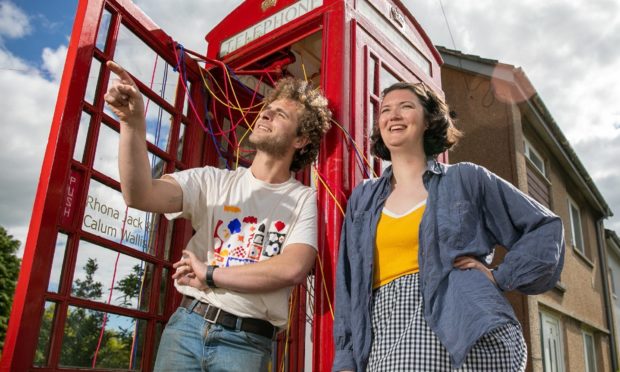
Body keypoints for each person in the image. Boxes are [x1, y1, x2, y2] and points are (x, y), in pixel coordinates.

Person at [104, 60, 331, 372]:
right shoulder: (213, 181)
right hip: (187, 326)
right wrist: (132, 124)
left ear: (300, 140)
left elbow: (292, 267)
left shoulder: (303, 198)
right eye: (267, 109)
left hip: (246, 342)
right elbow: (140, 195)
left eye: (281, 114)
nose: (265, 114)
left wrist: (210, 274)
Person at [332, 82, 565, 372]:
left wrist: (501, 277)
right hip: (384, 329)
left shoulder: (466, 179)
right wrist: (345, 358)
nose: (393, 115)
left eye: (406, 106)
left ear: (429, 120)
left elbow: (545, 228)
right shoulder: (363, 198)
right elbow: (348, 283)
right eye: (385, 110)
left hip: (462, 323)